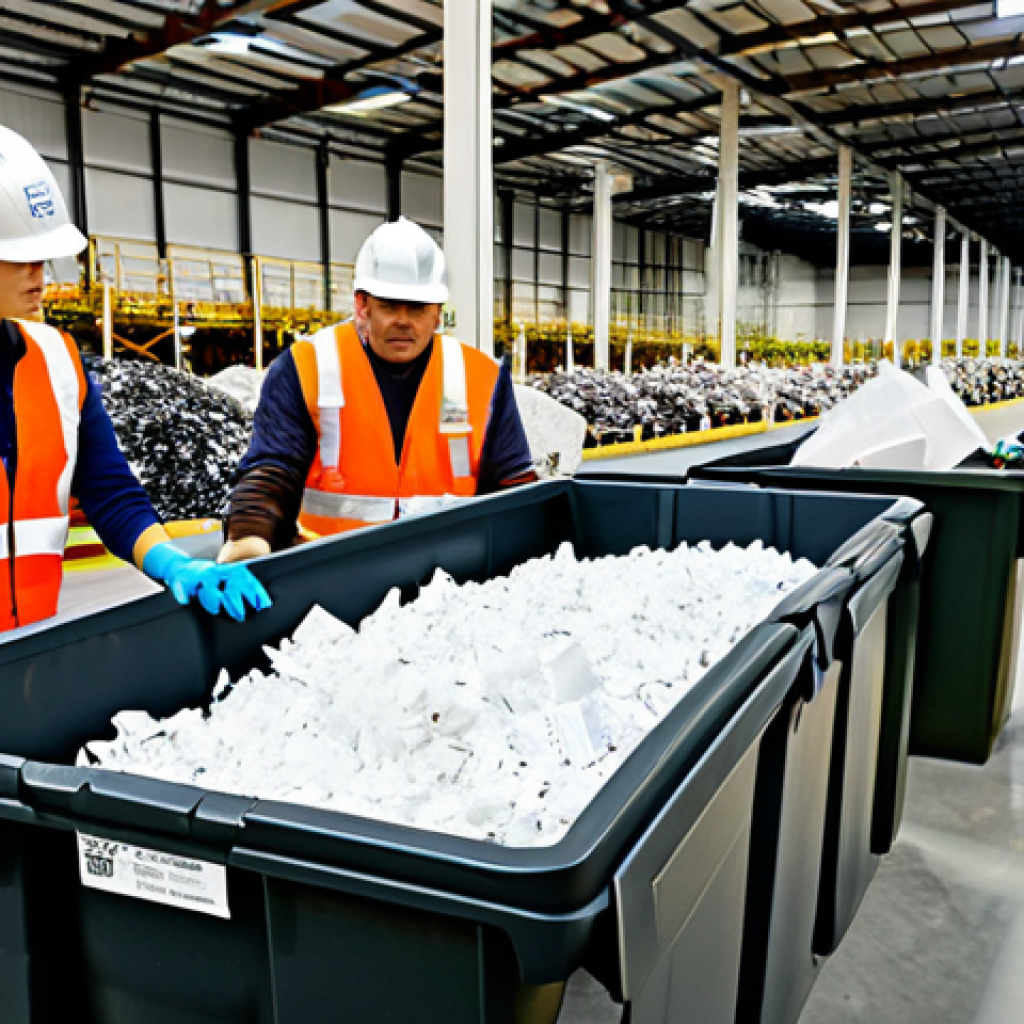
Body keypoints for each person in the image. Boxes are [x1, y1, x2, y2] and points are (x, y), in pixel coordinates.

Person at [0, 124, 270, 632]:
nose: (42, 274)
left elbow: (109, 490)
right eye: (23, 257)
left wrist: (175, 565)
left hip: (28, 655)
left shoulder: (58, 362)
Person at [219, 217, 537, 560]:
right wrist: (249, 537)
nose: (403, 320)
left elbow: (514, 486)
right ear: (362, 306)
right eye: (389, 305)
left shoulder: (481, 377)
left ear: (437, 314)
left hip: (449, 576)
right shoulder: (307, 366)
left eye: (417, 307)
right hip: (332, 574)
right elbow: (273, 468)